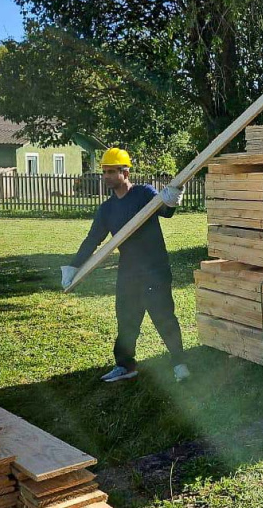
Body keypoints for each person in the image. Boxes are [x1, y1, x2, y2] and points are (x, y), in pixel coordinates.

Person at [60, 147, 190, 383]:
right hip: (129, 272)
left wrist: (172, 196)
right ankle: (125, 365)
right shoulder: (107, 209)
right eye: (105, 172)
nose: (106, 176)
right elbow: (92, 239)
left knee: (164, 317)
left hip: (155, 269)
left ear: (125, 173)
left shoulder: (143, 193)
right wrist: (74, 267)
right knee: (126, 319)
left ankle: (180, 363)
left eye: (112, 172)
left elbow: (166, 211)